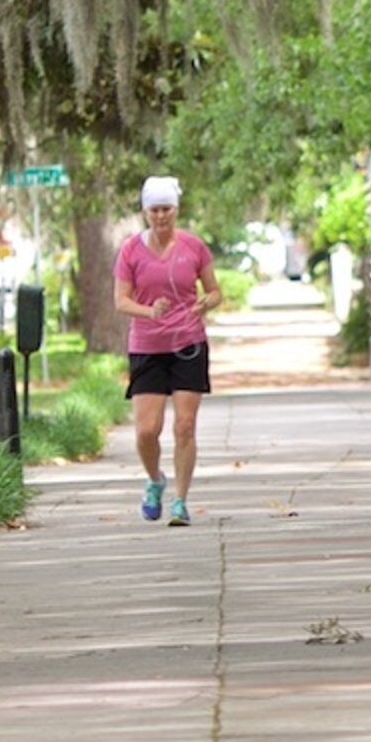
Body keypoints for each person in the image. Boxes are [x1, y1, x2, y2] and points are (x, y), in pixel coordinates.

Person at [116, 174, 222, 526]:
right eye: (154, 210)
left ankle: (180, 500)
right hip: (147, 345)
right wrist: (150, 312)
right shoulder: (131, 250)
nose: (161, 216)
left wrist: (206, 303)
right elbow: (120, 301)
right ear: (145, 211)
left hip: (188, 342)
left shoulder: (194, 246)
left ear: (176, 210)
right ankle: (155, 481)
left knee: (185, 425)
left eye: (167, 209)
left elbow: (215, 291)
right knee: (147, 430)